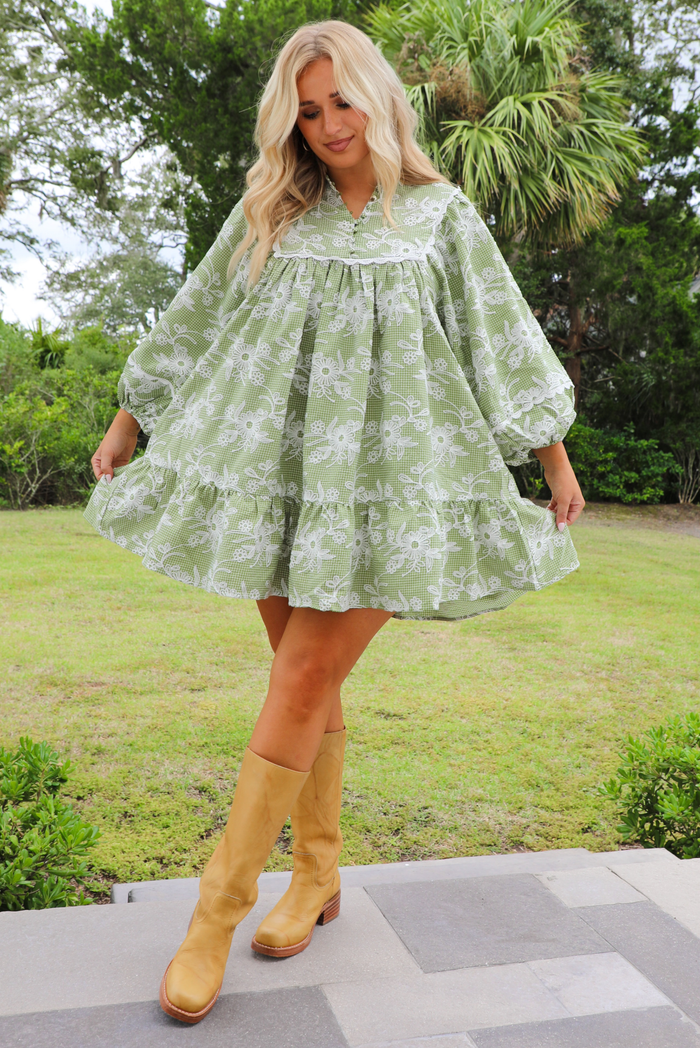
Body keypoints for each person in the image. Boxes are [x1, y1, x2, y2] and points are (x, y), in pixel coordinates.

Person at [86, 19, 585, 1025]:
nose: (328, 125)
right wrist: (133, 414)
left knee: (305, 672)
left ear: (380, 98)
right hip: (279, 474)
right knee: (303, 677)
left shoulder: (440, 218)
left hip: (394, 486)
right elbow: (200, 309)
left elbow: (497, 333)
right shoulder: (274, 210)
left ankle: (215, 914)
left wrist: (551, 454)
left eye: (342, 101)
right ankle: (316, 873)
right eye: (308, 111)